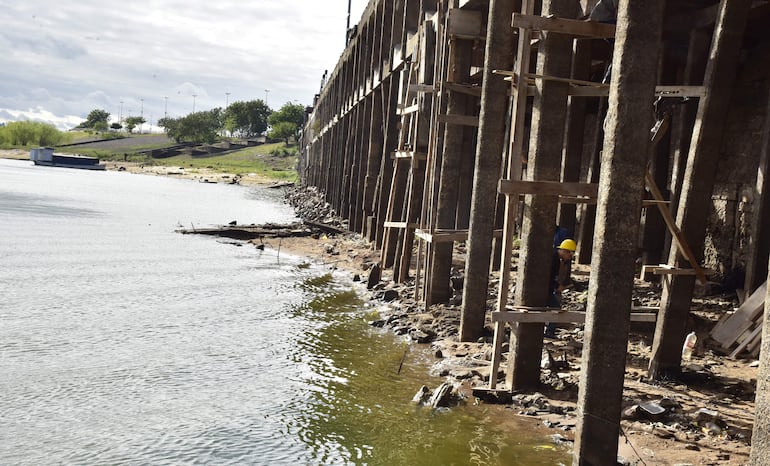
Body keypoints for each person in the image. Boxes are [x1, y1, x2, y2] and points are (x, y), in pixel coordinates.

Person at [544, 238, 577, 338]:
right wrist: (557, 286)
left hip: (547, 288)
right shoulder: (554, 260)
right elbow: (548, 276)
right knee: (556, 308)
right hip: (546, 289)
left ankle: (549, 330)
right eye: (569, 254)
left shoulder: (555, 258)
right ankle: (549, 332)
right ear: (564, 251)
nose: (570, 257)